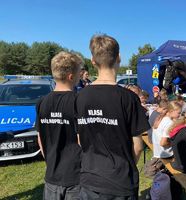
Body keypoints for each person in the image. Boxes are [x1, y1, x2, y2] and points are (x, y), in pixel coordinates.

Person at [75, 34, 150, 200]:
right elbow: (137, 147)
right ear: (119, 58)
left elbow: (80, 140)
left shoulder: (80, 97)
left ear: (93, 61)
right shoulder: (128, 98)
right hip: (121, 182)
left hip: (89, 180)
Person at [36, 51, 83, 200]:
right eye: (79, 73)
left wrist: (51, 162)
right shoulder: (78, 101)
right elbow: (82, 140)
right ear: (71, 76)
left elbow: (40, 138)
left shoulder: (42, 102)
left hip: (51, 177)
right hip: (76, 178)